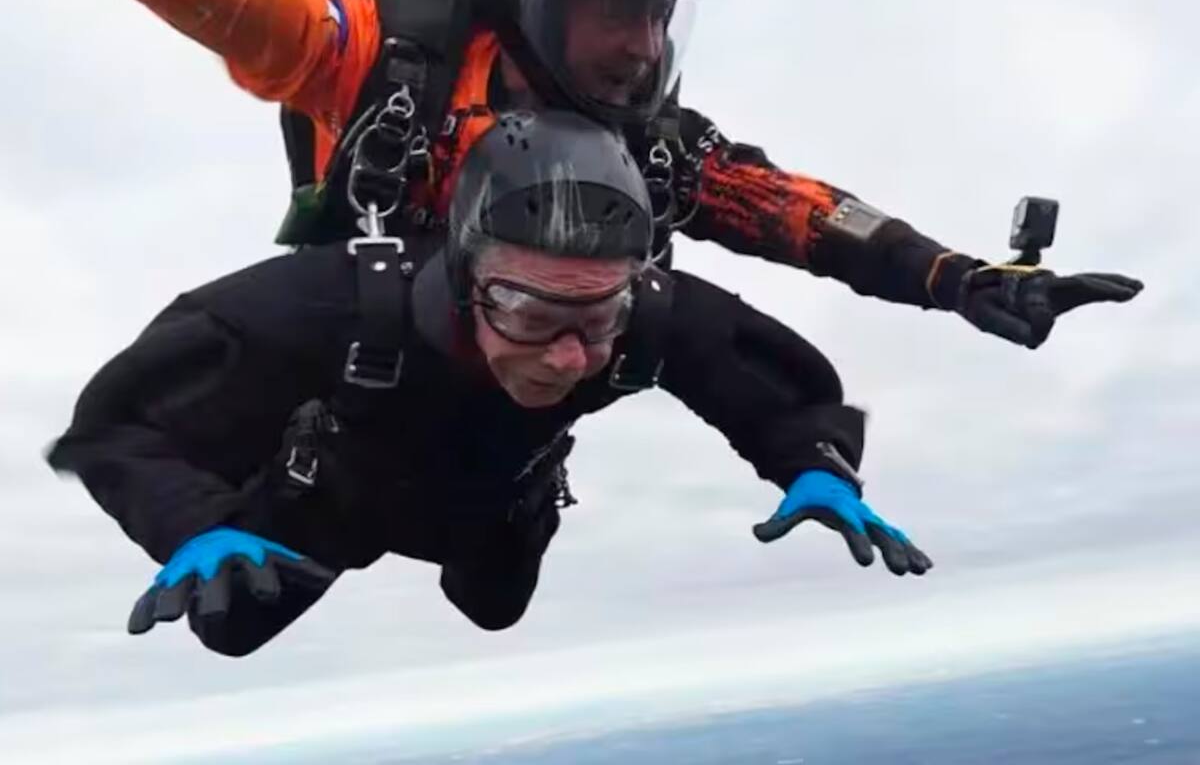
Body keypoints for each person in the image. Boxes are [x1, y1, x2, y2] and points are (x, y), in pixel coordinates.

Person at [47, 111, 930, 657]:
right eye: (529, 312)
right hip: (339, 490)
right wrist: (190, 526)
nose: (567, 357)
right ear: (467, 274)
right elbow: (115, 422)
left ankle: (514, 507)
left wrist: (814, 463)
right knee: (230, 629)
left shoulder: (647, 315)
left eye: (598, 318)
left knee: (494, 610)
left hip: (493, 492)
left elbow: (770, 376)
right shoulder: (331, 306)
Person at [94, 0, 1142, 350]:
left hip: (528, 376)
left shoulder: (650, 140)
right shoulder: (373, 53)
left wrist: (956, 278)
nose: (639, 46)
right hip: (363, 348)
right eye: (612, 4)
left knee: (498, 577)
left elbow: (796, 210)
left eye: (656, 13)